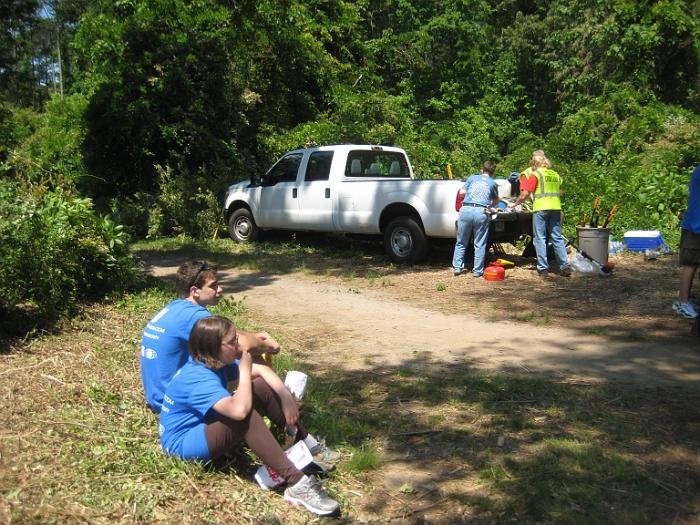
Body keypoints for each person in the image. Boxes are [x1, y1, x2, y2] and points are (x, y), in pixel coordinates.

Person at [159, 316, 340, 516]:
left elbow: (262, 370)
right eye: (232, 341)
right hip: (182, 444)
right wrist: (244, 371)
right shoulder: (197, 377)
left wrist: (285, 397)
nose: (238, 345)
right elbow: (239, 411)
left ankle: (309, 445)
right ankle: (297, 483)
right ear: (214, 346)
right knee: (244, 415)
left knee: (261, 388)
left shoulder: (214, 361)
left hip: (203, 426)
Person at [140, 260, 280, 413]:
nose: (220, 289)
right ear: (195, 291)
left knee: (231, 354)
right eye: (213, 286)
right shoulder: (193, 315)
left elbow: (230, 335)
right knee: (251, 357)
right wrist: (269, 346)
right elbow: (242, 345)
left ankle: (276, 401)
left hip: (157, 395)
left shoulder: (176, 307)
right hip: (172, 401)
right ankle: (279, 406)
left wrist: (254, 337)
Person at [508, 150, 572, 277]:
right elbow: (561, 191)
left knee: (540, 238)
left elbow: (525, 193)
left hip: (541, 208)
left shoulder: (536, 174)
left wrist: (515, 204)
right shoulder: (555, 175)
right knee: (557, 237)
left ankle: (543, 268)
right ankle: (564, 266)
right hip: (556, 208)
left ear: (535, 164)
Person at [452, 161, 500, 277]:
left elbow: (462, 192)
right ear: (492, 172)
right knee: (479, 243)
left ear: (481, 169)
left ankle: (458, 267)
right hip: (481, 211)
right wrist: (490, 206)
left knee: (461, 241)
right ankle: (477, 271)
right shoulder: (493, 183)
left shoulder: (472, 178)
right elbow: (496, 201)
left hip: (466, 210)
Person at [673, 163, 700, 319]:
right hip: (695, 226)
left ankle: (686, 300)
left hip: (694, 225)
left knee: (692, 265)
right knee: (690, 265)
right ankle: (683, 302)